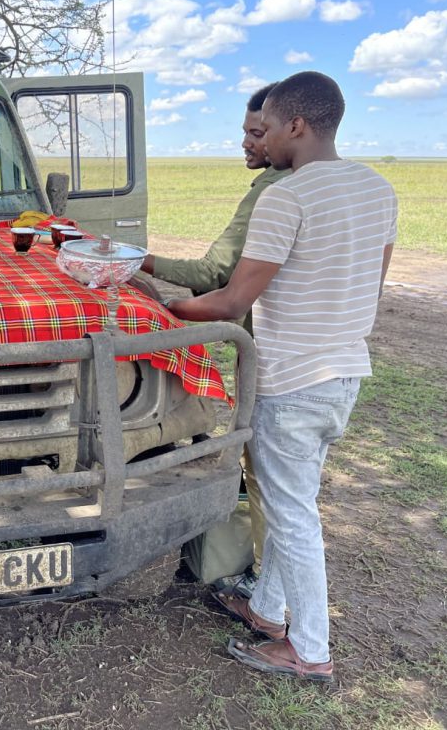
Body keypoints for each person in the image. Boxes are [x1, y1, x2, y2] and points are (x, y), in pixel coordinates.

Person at [166, 71, 396, 682]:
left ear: (296, 124)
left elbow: (225, 300)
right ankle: (266, 611)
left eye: (264, 127)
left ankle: (309, 649)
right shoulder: (379, 190)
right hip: (344, 373)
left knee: (293, 517)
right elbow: (368, 289)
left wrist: (156, 302)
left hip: (290, 381)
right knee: (291, 500)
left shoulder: (286, 197)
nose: (258, 140)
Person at [142, 82, 287, 598]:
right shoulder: (340, 187)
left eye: (257, 132)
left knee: (270, 478)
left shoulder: (277, 189)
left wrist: (143, 271)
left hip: (275, 356)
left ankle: (267, 588)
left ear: (288, 129)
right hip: (328, 361)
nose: (247, 143)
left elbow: (216, 277)